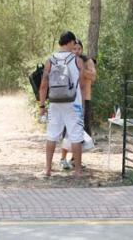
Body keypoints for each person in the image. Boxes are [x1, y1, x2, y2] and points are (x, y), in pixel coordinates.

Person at [39, 31, 85, 178]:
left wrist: (42, 106)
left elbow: (43, 86)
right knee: (76, 136)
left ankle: (47, 169)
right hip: (73, 104)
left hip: (55, 103)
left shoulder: (50, 61)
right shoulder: (77, 61)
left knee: (52, 135)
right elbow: (82, 85)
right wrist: (82, 104)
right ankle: (77, 171)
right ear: (71, 42)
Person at [60, 39, 97, 169]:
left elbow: (93, 77)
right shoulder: (67, 61)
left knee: (82, 131)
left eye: (78, 49)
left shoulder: (88, 61)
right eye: (74, 49)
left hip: (84, 100)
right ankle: (63, 159)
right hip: (70, 101)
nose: (76, 51)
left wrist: (81, 69)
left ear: (82, 49)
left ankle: (75, 160)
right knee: (68, 130)